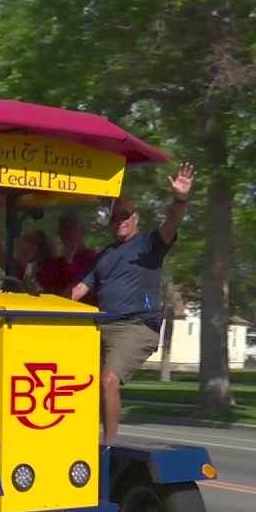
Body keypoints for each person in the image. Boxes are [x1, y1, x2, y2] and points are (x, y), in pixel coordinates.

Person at [70, 163, 195, 445]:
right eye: (114, 217)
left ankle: (106, 447)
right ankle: (78, 440)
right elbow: (77, 290)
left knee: (109, 380)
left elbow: (172, 222)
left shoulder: (148, 243)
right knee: (73, 383)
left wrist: (180, 198)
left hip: (137, 326)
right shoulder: (103, 256)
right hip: (101, 327)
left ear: (136, 218)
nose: (120, 221)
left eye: (125, 216)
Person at [35, 211, 98, 298]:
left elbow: (85, 283)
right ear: (59, 233)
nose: (69, 232)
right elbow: (42, 282)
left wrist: (68, 262)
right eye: (65, 228)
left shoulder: (92, 259)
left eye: (73, 227)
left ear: (83, 231)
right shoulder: (54, 264)